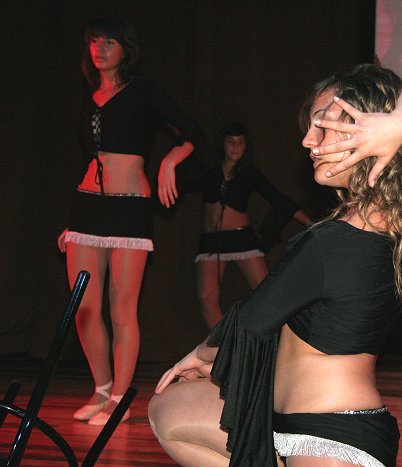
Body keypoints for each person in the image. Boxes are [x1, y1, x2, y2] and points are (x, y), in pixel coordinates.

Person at [148, 53, 402, 466]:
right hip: (296, 426)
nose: (307, 141)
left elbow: (250, 322)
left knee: (168, 403)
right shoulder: (394, 224)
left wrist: (198, 356)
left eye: (323, 125)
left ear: (371, 128)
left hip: (332, 441)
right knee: (170, 411)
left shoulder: (337, 242)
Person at [56, 16, 205, 426]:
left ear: (126, 49)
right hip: (86, 206)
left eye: (109, 42)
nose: (100, 49)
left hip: (129, 207)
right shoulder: (91, 96)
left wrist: (170, 161)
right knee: (84, 308)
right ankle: (101, 389)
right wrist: (71, 221)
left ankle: (119, 400)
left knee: (121, 308)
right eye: (95, 41)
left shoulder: (143, 90)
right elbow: (87, 159)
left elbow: (193, 131)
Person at [196, 122, 312, 329]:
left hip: (241, 238)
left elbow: (277, 198)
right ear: (222, 144)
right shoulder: (209, 171)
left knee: (267, 294)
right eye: (230, 142)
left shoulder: (250, 173)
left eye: (240, 142)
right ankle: (222, 345)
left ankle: (284, 339)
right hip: (211, 241)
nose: (235, 147)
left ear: (246, 146)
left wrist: (308, 222)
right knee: (207, 298)